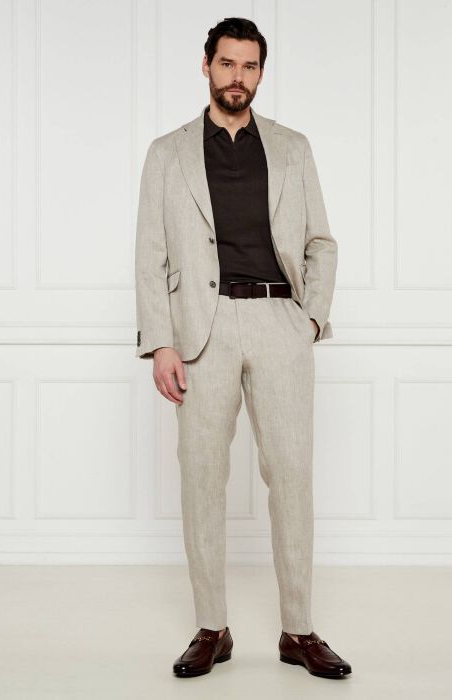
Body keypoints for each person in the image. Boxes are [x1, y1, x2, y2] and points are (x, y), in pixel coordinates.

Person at [134, 16, 352, 680]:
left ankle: (299, 631)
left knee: (291, 477)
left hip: (279, 320)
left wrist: (309, 320)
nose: (238, 77)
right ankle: (212, 627)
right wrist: (161, 343)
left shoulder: (292, 148)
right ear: (206, 66)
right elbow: (150, 254)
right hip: (201, 333)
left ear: (261, 72)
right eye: (227, 63)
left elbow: (320, 243)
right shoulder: (167, 153)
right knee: (202, 477)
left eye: (250, 66)